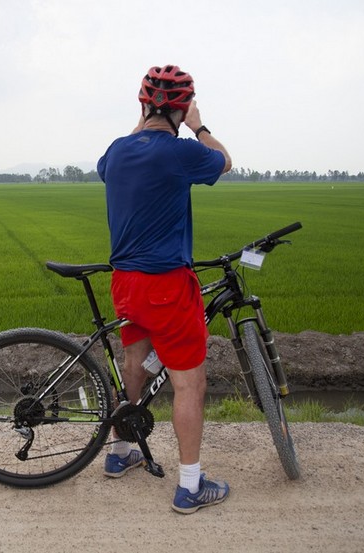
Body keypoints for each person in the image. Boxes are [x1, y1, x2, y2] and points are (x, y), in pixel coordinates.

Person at [96, 65, 232, 514]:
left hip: (126, 284)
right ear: (180, 109)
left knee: (135, 363)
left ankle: (119, 455)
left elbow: (126, 147)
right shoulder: (180, 152)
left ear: (142, 104)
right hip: (167, 285)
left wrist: (144, 119)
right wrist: (199, 125)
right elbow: (225, 161)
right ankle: (190, 486)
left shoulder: (115, 153)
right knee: (189, 382)